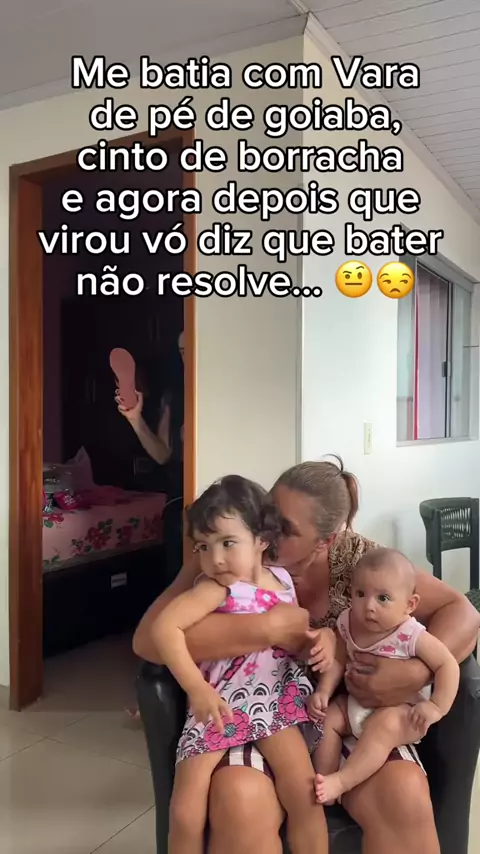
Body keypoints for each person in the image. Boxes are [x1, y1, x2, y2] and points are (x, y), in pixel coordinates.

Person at [133, 457, 480, 854]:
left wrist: (413, 674)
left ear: (326, 541)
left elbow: (463, 613)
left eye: (286, 529)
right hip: (252, 706)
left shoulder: (363, 563)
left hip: (346, 716)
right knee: (240, 798)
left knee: (404, 792)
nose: (267, 529)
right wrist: (267, 629)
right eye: (267, 513)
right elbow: (149, 639)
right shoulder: (228, 551)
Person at [154, 475, 327, 854]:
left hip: (275, 702)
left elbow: (297, 641)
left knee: (305, 798)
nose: (214, 558)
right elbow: (164, 628)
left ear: (262, 539)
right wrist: (197, 689)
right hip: (220, 707)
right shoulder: (213, 587)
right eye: (203, 546)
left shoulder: (283, 580)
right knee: (185, 813)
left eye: (227, 543)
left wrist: (321, 642)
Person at [310, 547, 460, 805]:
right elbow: (338, 659)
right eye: (360, 594)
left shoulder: (410, 634)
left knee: (383, 727)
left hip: (401, 711)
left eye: (383, 598)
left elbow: (447, 664)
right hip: (355, 704)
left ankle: (342, 782)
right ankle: (322, 782)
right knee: (329, 719)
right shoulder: (348, 622)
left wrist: (436, 707)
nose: (369, 606)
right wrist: (324, 690)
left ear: (409, 605)